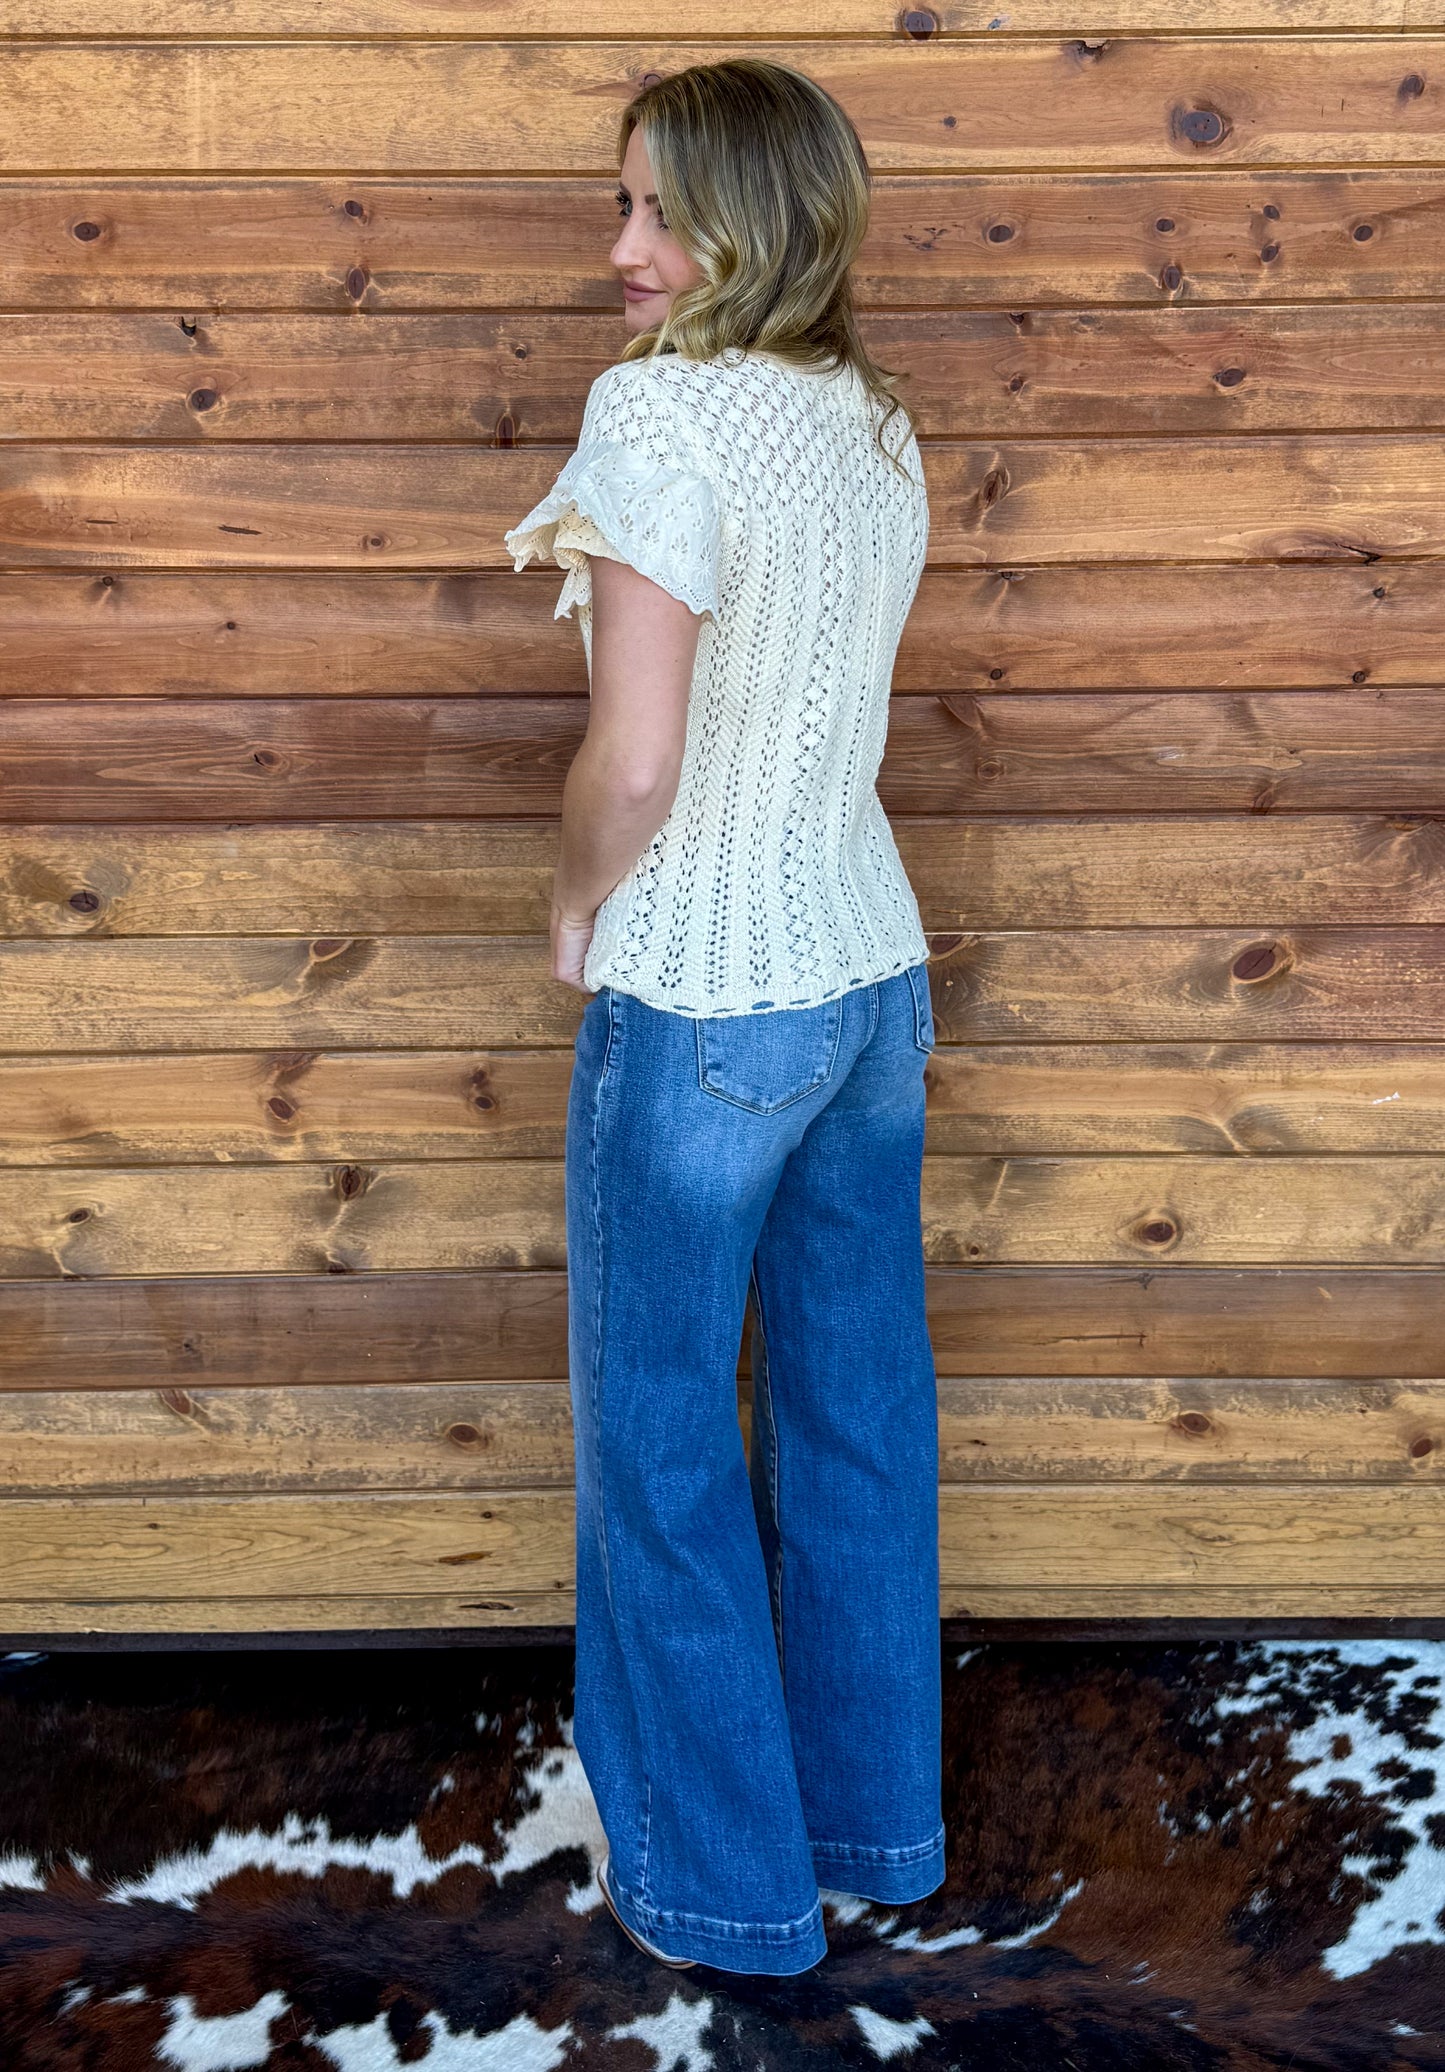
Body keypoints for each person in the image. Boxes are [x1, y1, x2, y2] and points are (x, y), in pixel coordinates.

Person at [503, 55, 943, 1977]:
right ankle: (867, 1832)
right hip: (867, 979)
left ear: (757, 221)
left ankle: (722, 1894)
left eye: (659, 213)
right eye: (620, 208)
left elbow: (643, 754)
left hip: (698, 1001)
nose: (623, 251)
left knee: (663, 1447)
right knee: (857, 1413)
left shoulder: (662, 414)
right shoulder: (869, 420)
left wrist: (573, 893)